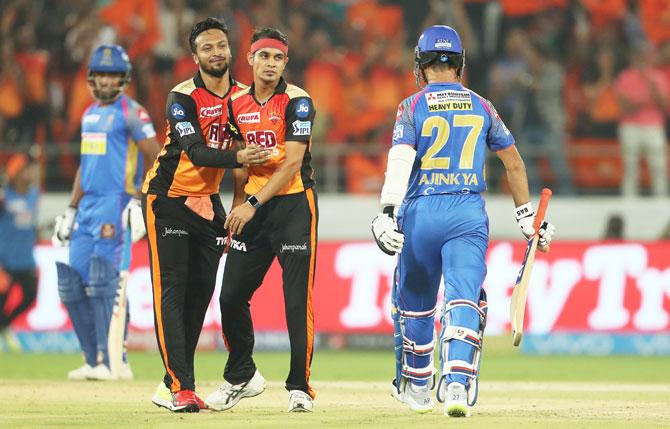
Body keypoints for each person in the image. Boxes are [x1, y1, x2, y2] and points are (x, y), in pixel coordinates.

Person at [370, 25, 556, 417]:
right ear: (460, 63)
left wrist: (387, 211)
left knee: (415, 305)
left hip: (421, 211)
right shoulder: (482, 105)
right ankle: (456, 383)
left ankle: (419, 385)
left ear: (419, 65)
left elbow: (401, 160)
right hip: (467, 214)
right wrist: (527, 218)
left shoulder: (411, 105)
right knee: (463, 297)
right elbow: (514, 163)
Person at [141, 18, 269, 413]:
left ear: (231, 51)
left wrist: (236, 206)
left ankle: (170, 384)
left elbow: (244, 170)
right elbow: (196, 152)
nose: (216, 53)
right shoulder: (182, 97)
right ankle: (182, 386)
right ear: (194, 56)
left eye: (221, 46)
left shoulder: (244, 99)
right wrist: (239, 155)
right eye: (207, 48)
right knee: (173, 293)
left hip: (208, 204)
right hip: (168, 199)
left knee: (200, 296)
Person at [205, 27, 318, 413]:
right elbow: (240, 163)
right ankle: (241, 375)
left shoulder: (298, 102)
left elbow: (290, 165)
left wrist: (251, 201)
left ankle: (299, 388)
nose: (270, 64)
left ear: (285, 63)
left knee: (295, 302)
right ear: (250, 59)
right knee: (231, 296)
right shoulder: (235, 104)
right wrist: (237, 209)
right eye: (263, 56)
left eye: (278, 58)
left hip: (292, 208)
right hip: (252, 210)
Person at [52, 44, 161, 381]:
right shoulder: (88, 114)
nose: (106, 81)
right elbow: (86, 166)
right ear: (91, 78)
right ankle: (94, 359)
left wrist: (140, 201)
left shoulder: (133, 112)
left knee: (106, 283)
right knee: (72, 285)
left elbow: (156, 157)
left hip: (117, 203)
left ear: (123, 79)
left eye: (112, 75)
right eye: (100, 74)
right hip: (87, 208)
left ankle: (118, 360)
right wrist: (70, 209)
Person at [615, 43, 670, 197]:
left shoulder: (658, 77)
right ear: (633, 58)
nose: (642, 60)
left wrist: (651, 86)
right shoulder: (624, 77)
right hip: (630, 126)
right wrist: (646, 101)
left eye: (644, 56)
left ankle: (661, 199)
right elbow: (625, 107)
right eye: (638, 56)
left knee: (659, 165)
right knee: (630, 166)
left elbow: (665, 104)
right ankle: (629, 199)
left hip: (654, 125)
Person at [0, 154, 39, 352]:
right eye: (26, 170)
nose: (31, 173)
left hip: (26, 259)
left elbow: (30, 224)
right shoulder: (4, 196)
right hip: (5, 261)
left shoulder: (34, 194)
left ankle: (4, 325)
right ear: (16, 174)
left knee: (31, 295)